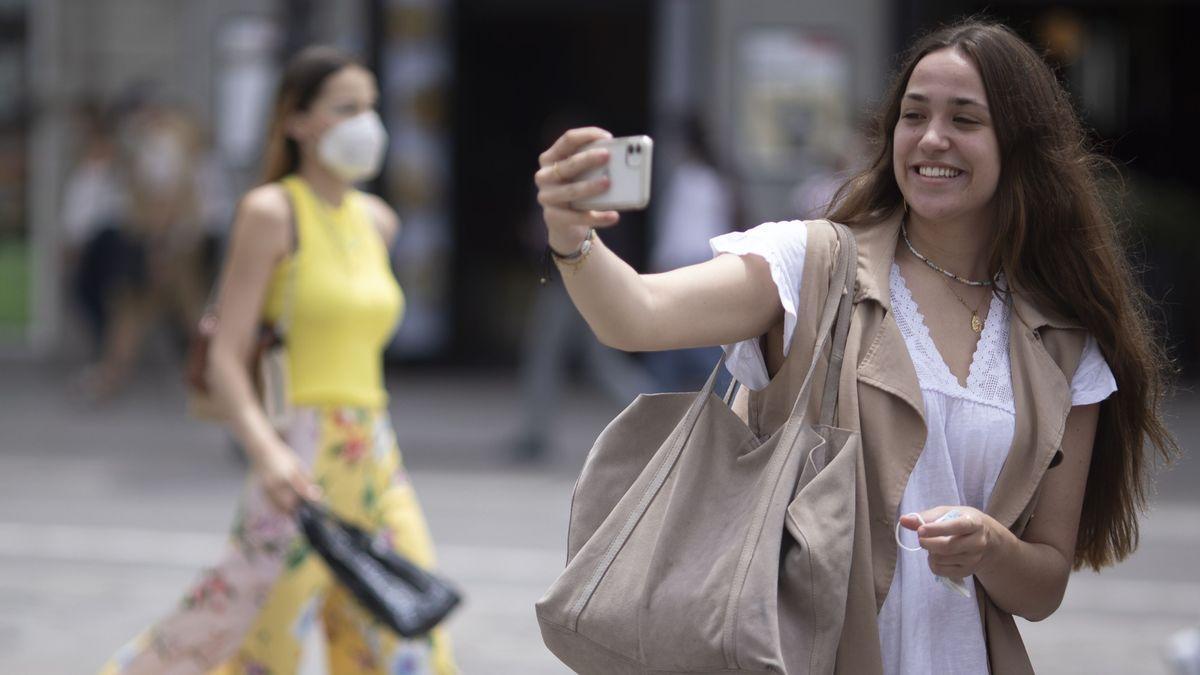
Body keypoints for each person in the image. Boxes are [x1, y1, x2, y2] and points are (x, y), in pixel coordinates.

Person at [533, 20, 1176, 673]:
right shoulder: (813, 263)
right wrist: (573, 240)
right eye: (913, 114)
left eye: (965, 119)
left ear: (1018, 143)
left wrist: (988, 546)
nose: (931, 138)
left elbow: (1043, 585)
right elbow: (638, 314)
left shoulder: (1063, 344)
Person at [102, 47, 455, 674]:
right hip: (299, 457)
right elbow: (224, 357)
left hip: (374, 453)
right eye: (346, 108)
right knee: (255, 640)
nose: (365, 122)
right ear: (296, 121)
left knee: (407, 639)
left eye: (371, 107)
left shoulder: (378, 221)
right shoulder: (270, 213)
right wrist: (267, 452)